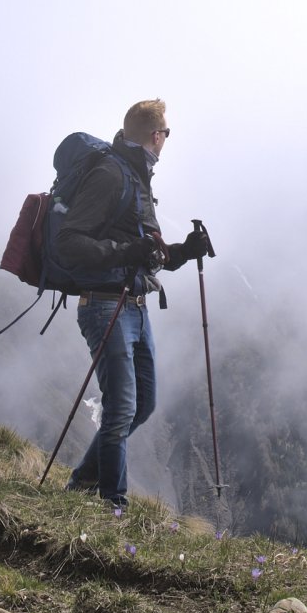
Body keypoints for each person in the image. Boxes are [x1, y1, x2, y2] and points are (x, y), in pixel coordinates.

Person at [56, 98, 208, 509]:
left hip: (135, 306)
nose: (166, 140)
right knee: (122, 407)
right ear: (156, 136)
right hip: (106, 305)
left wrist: (185, 251)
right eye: (166, 133)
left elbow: (147, 253)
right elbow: (69, 241)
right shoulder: (109, 174)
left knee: (143, 404)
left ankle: (84, 483)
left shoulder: (137, 177)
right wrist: (126, 252)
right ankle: (113, 506)